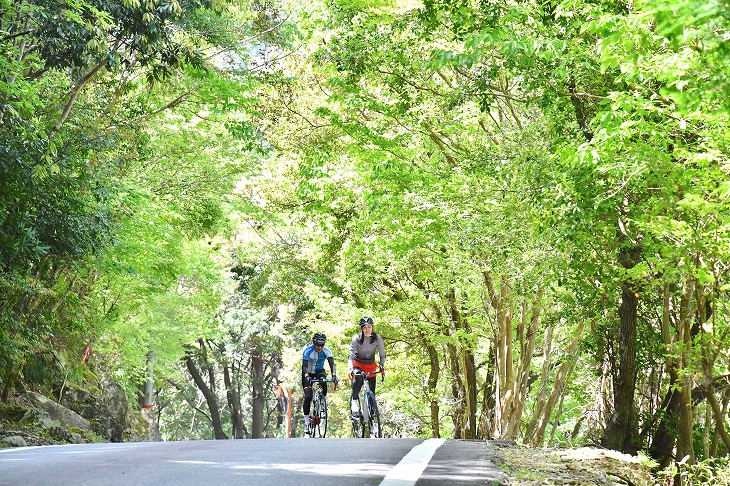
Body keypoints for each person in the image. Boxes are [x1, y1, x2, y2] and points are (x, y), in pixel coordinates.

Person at [347, 316, 386, 418]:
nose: (367, 330)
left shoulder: (377, 338)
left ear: (372, 327)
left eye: (369, 327)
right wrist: (350, 369)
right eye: (364, 328)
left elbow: (382, 355)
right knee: (359, 378)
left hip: (370, 365)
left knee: (372, 390)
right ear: (361, 329)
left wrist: (381, 366)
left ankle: (372, 416)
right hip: (358, 364)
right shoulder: (356, 338)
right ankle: (354, 401)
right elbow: (350, 356)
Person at [301, 332, 337, 437]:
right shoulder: (308, 351)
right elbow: (304, 366)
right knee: (308, 396)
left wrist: (334, 375)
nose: (320, 347)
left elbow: (332, 364)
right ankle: (307, 423)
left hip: (319, 371)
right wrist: (306, 375)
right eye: (317, 344)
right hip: (308, 372)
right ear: (313, 343)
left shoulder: (327, 351)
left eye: (322, 345)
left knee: (324, 382)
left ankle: (321, 403)